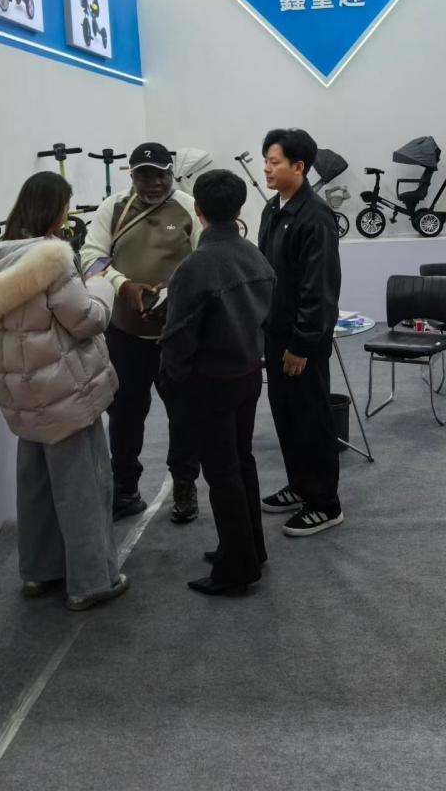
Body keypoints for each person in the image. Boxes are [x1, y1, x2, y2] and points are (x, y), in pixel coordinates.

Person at [0, 171, 127, 612]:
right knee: (84, 488)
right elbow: (85, 320)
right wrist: (101, 288)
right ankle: (92, 580)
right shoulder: (52, 258)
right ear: (55, 208)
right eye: (66, 205)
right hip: (64, 392)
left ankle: (38, 571)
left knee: (36, 488)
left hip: (21, 397)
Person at [160, 170, 276, 596]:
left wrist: (174, 376)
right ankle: (250, 547)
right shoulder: (255, 256)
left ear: (198, 210)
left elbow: (178, 336)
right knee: (241, 461)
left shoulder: (196, 267)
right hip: (248, 375)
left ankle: (236, 568)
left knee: (222, 472)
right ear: (240, 207)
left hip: (210, 382)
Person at [81, 142, 202, 523]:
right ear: (131, 176)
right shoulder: (113, 208)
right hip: (126, 334)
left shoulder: (188, 207)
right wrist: (123, 286)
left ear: (171, 173)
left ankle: (184, 485)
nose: (154, 183)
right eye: (144, 175)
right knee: (124, 415)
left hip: (177, 335)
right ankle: (125, 489)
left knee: (184, 414)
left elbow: (204, 259)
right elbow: (90, 256)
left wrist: (175, 291)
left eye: (161, 175)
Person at [258, 128, 343, 537]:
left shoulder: (316, 216)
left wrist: (302, 343)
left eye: (274, 162)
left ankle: (326, 503)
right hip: (276, 335)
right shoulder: (273, 209)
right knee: (286, 416)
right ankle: (300, 485)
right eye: (266, 161)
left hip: (302, 342)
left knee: (311, 418)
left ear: (299, 166)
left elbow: (319, 289)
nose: (266, 169)